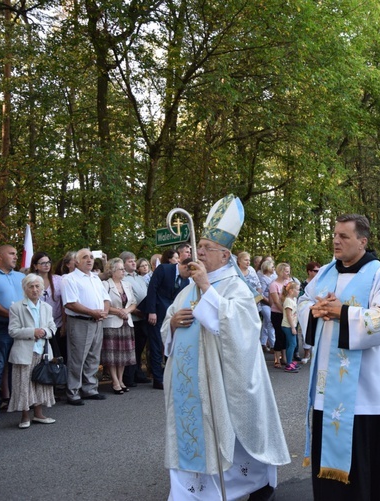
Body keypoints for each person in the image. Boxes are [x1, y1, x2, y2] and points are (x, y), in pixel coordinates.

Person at [161, 194, 289, 500]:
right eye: (199, 247)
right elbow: (168, 324)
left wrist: (206, 288)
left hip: (224, 383)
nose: (200, 252)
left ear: (225, 254)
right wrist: (173, 323)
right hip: (192, 388)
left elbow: (241, 330)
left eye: (207, 249)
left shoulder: (235, 287)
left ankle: (256, 484)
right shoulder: (186, 290)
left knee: (235, 437)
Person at [297, 213, 380, 500]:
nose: (336, 240)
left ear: (362, 241)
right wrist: (316, 310)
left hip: (366, 392)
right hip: (327, 388)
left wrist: (342, 313)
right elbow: (303, 301)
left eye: (343, 236)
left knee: (364, 469)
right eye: (334, 235)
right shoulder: (325, 273)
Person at [7, 274, 57, 428]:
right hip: (24, 351)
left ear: (42, 289)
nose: (35, 290)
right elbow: (13, 331)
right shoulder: (16, 307)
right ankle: (24, 416)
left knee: (40, 382)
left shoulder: (47, 307)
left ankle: (39, 414)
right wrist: (32, 332)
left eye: (37, 287)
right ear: (25, 289)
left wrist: (44, 332)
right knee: (23, 384)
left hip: (42, 351)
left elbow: (52, 327)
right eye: (31, 286)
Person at [62, 248, 110, 405]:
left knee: (93, 357)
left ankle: (90, 389)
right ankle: (73, 391)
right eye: (84, 257)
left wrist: (104, 312)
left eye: (90, 257)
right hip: (80, 322)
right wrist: (93, 312)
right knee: (78, 358)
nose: (89, 260)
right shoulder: (69, 279)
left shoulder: (95, 278)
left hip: (97, 321)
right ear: (76, 261)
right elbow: (71, 303)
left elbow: (106, 298)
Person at [146, 258, 192, 389]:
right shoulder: (164, 269)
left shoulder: (187, 281)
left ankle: (169, 376)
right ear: (184, 267)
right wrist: (151, 311)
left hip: (170, 316)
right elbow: (152, 289)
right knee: (156, 346)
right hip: (156, 313)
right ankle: (157, 379)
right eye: (188, 273)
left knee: (168, 345)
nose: (188, 277)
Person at [0, 245, 27, 419]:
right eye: (11, 254)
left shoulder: (21, 276)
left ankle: (18, 403)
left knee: (19, 365)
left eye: (16, 254)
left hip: (22, 328)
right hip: (0, 327)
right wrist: (11, 314)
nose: (16, 257)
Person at [102, 258, 137, 394]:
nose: (123, 271)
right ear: (112, 271)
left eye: (123, 269)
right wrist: (118, 311)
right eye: (121, 269)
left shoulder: (127, 284)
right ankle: (115, 381)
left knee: (122, 354)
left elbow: (133, 303)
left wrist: (126, 311)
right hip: (112, 323)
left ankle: (121, 380)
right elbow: (104, 305)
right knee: (112, 354)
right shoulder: (106, 284)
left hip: (126, 322)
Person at [121, 252, 151, 387]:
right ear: (123, 264)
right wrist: (136, 310)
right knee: (130, 348)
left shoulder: (140, 278)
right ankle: (129, 376)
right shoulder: (123, 278)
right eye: (129, 261)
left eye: (134, 261)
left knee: (140, 347)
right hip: (131, 317)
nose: (133, 263)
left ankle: (138, 372)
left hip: (143, 317)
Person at [29, 252, 66, 361]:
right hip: (38, 325)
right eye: (43, 263)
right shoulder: (31, 281)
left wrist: (64, 324)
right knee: (41, 357)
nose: (46, 265)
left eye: (48, 262)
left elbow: (63, 303)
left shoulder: (58, 280)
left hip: (57, 324)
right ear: (35, 266)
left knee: (57, 355)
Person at [269, 263, 292, 368]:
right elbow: (276, 302)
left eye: (288, 271)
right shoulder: (274, 285)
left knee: (285, 336)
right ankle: (276, 359)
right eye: (286, 271)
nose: (288, 273)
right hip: (277, 313)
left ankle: (284, 357)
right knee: (279, 335)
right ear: (281, 272)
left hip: (287, 312)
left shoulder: (289, 283)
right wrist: (284, 312)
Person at [281, 282, 300, 373]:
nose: (299, 291)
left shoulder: (294, 299)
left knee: (291, 344)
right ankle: (288, 364)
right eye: (297, 289)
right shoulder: (288, 301)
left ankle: (290, 361)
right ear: (291, 291)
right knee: (292, 344)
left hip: (292, 325)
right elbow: (288, 315)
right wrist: (293, 327)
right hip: (288, 326)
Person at [259, 260, 276, 355]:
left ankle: (263, 342)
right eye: (272, 267)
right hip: (265, 304)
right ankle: (273, 344)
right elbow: (261, 293)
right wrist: (269, 302)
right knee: (270, 321)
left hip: (274, 303)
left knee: (266, 323)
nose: (274, 269)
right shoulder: (263, 279)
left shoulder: (274, 277)